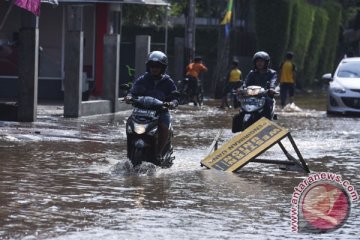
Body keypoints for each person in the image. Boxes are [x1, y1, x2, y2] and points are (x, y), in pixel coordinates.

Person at [125, 51, 178, 160]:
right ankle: (129, 151)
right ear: (148, 67)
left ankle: (159, 153)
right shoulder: (142, 79)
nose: (154, 68)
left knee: (164, 127)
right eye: (152, 66)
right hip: (141, 111)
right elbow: (132, 91)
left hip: (160, 112)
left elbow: (175, 97)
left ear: (162, 68)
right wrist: (129, 97)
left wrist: (172, 103)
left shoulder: (168, 81)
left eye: (157, 66)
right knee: (129, 123)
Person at [242, 51, 277, 119]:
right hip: (251, 96)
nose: (259, 63)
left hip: (265, 96)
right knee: (241, 103)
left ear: (266, 63)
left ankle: (267, 122)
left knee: (268, 101)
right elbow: (245, 83)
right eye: (257, 61)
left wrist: (271, 89)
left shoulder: (272, 73)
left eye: (261, 61)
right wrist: (241, 89)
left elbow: (273, 82)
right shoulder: (252, 73)